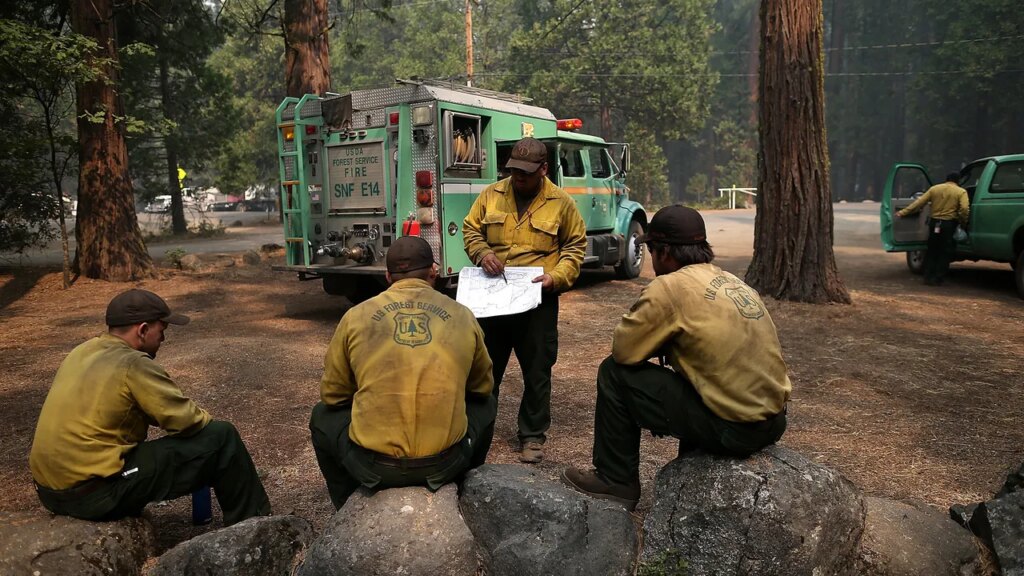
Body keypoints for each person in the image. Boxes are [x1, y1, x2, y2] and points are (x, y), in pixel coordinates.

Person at [561, 205, 791, 510]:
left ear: (665, 252)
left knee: (613, 374)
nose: (652, 261)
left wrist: (661, 344)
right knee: (694, 377)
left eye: (653, 251)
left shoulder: (669, 288)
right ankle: (690, 463)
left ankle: (615, 480)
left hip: (737, 429)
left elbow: (625, 352)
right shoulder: (733, 282)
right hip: (773, 421)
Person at [29, 289, 271, 525]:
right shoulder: (132, 363)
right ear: (143, 329)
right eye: (162, 330)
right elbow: (186, 421)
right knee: (222, 437)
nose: (163, 339)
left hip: (49, 493)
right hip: (92, 496)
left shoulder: (81, 351)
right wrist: (203, 417)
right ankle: (255, 524)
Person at [309, 236, 497, 509]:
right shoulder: (462, 315)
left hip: (374, 467)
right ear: (434, 270)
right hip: (444, 464)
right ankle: (464, 488)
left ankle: (345, 506)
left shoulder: (355, 317)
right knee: (487, 405)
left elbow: (333, 396)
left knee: (322, 416)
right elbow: (482, 388)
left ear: (387, 276)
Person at [462, 137, 587, 464]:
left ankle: (532, 435)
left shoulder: (562, 203)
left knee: (537, 370)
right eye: (515, 171)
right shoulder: (491, 194)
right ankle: (477, 431)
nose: (519, 178)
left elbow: (574, 250)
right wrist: (483, 253)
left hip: (537, 300)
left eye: (527, 173)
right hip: (494, 298)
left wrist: (555, 278)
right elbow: (471, 231)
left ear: (543, 169)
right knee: (485, 369)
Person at [895, 172, 969, 286]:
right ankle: (938, 278)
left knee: (932, 251)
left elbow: (919, 202)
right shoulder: (961, 192)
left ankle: (928, 277)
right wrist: (963, 222)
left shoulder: (934, 189)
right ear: (958, 181)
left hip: (934, 224)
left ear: (946, 179)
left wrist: (903, 212)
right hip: (949, 225)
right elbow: (964, 209)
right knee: (945, 252)